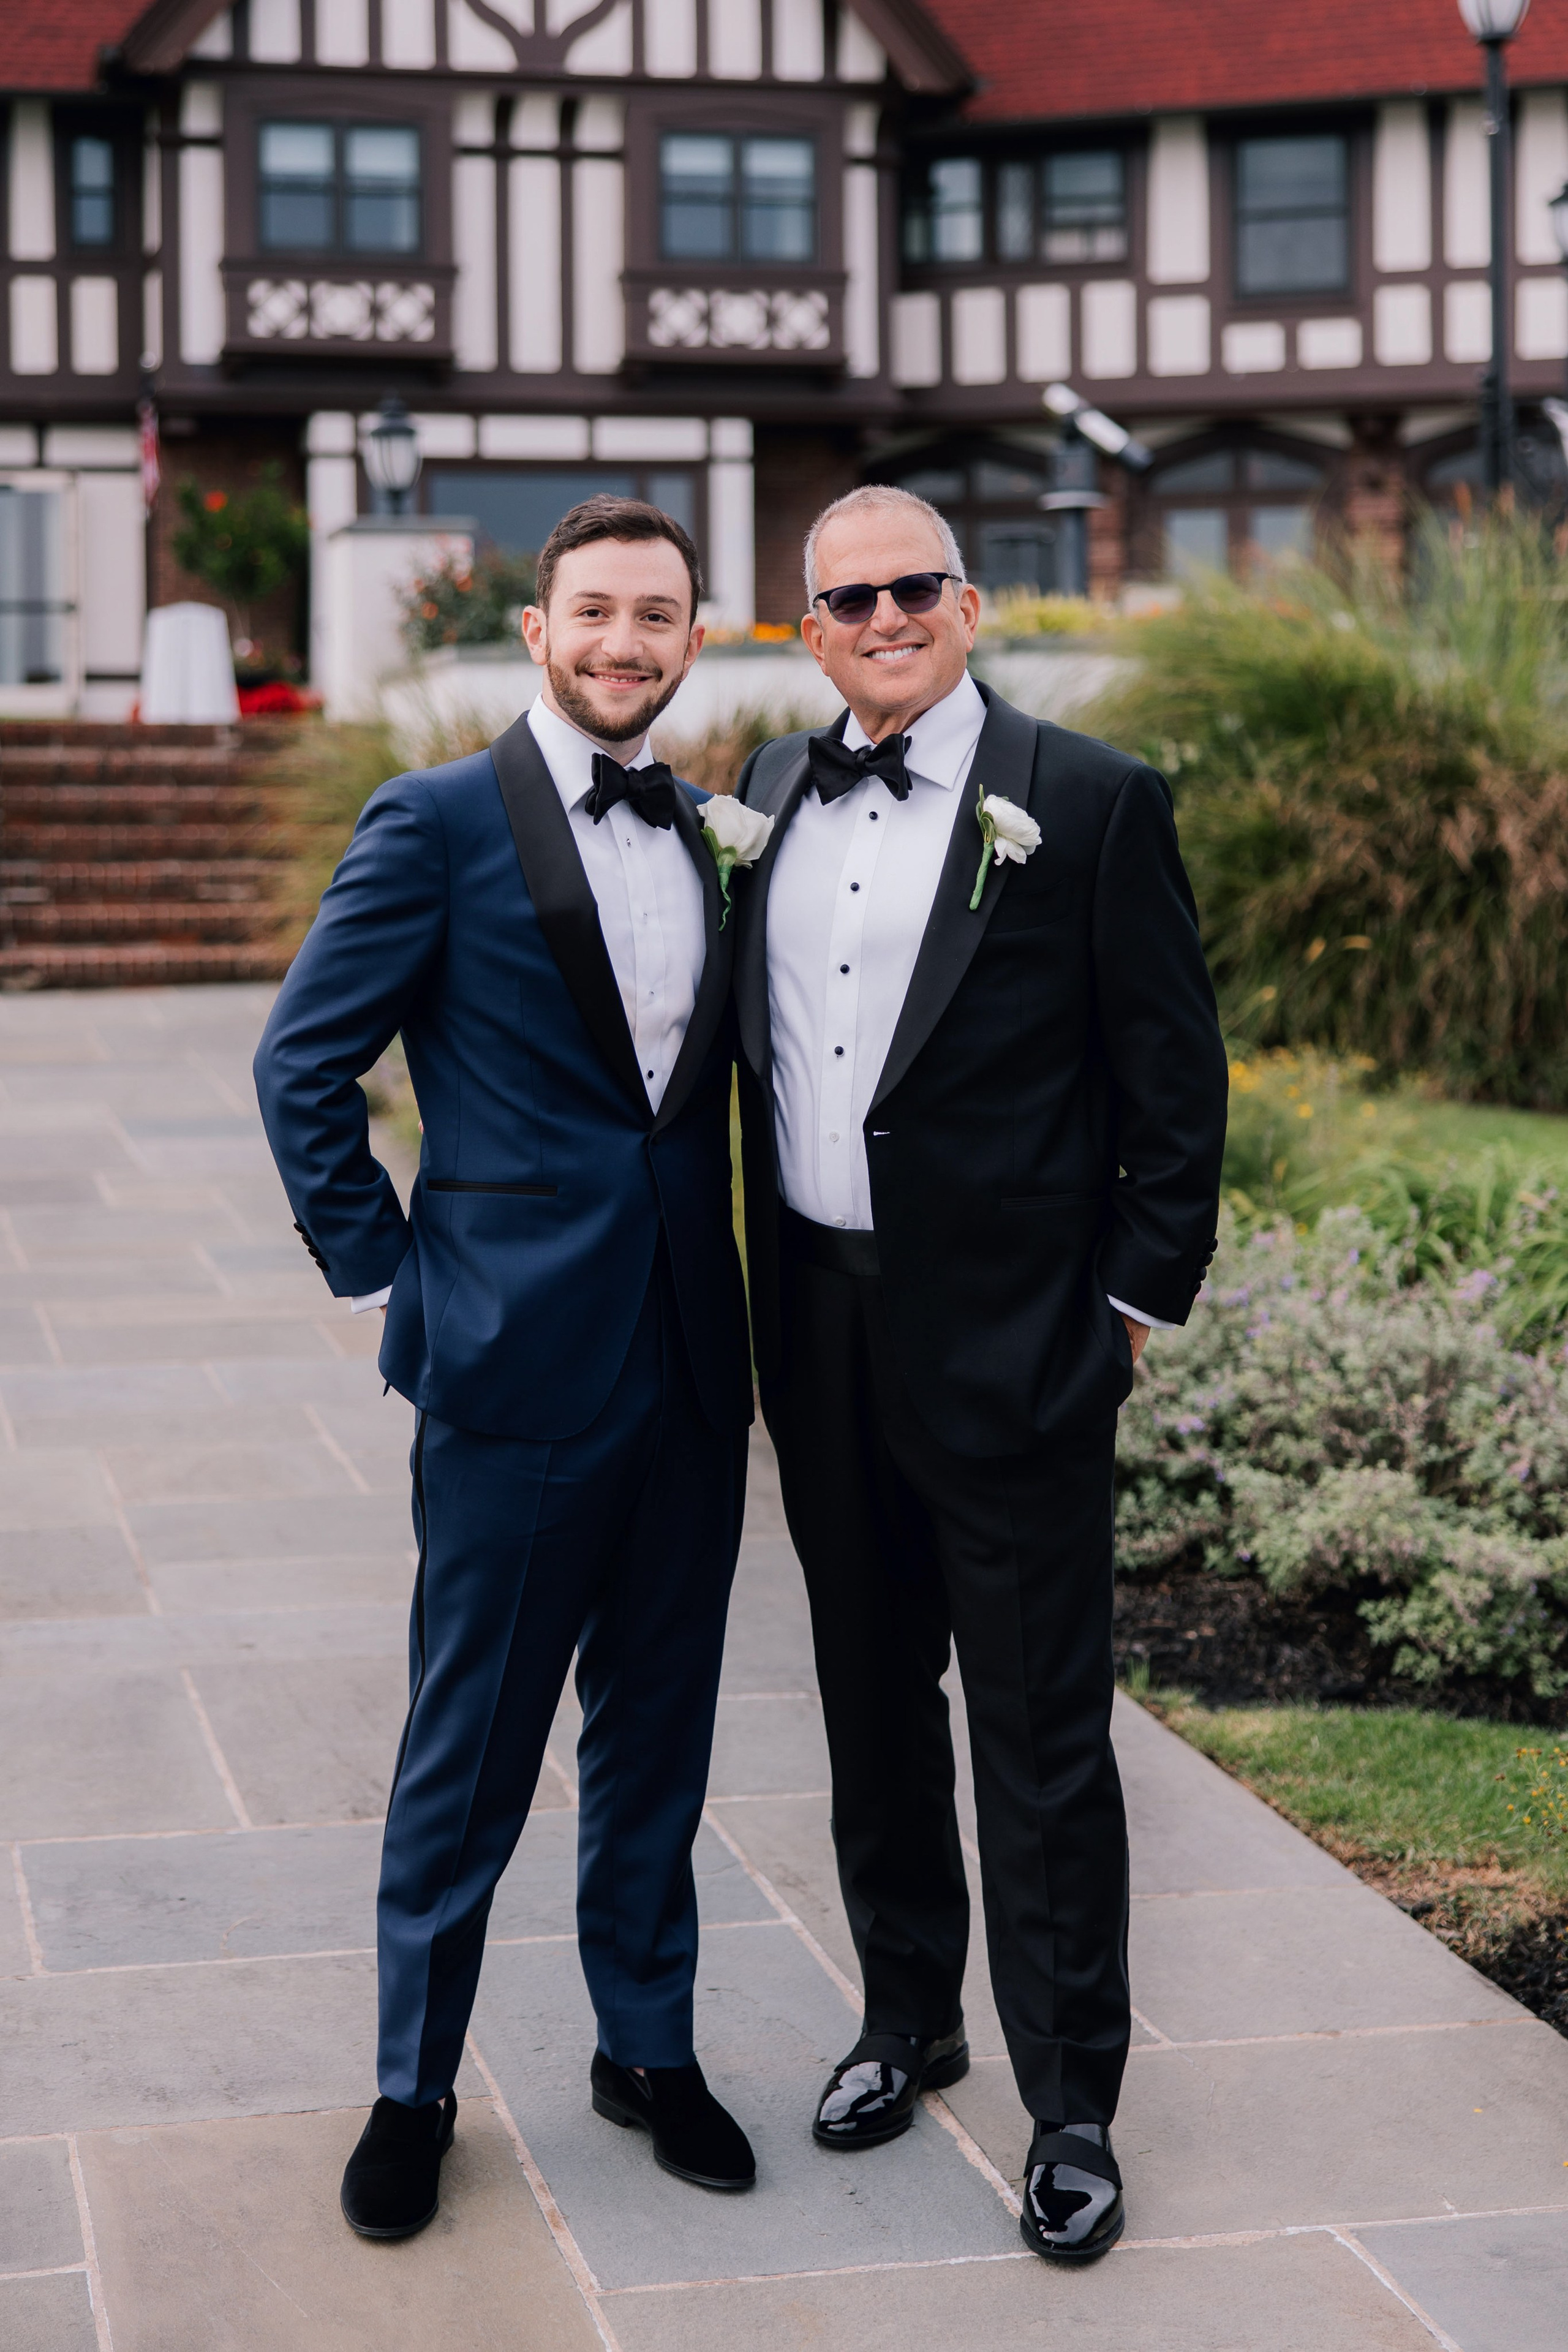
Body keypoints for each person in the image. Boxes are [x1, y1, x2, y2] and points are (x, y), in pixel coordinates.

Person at [731, 484, 1227, 2264]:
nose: (883, 616)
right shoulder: (773, 793)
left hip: (1020, 1347)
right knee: (870, 1710)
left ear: (968, 598)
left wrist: (1125, 1315)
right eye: (846, 597)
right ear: (809, 628)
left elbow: (1176, 1093)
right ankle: (908, 2016)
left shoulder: (1087, 803)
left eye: (912, 586)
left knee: (1036, 1743)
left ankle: (1072, 2101)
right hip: (821, 1331)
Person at [254, 496, 758, 2241]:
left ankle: (646, 2047)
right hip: (508, 1368)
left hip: (694, 1366)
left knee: (659, 1741)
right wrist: (399, 1283)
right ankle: (414, 2083)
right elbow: (302, 1069)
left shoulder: (715, 832)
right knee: (468, 1748)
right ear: (539, 632)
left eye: (660, 616)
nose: (628, 642)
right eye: (597, 612)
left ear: (697, 640)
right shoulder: (438, 821)